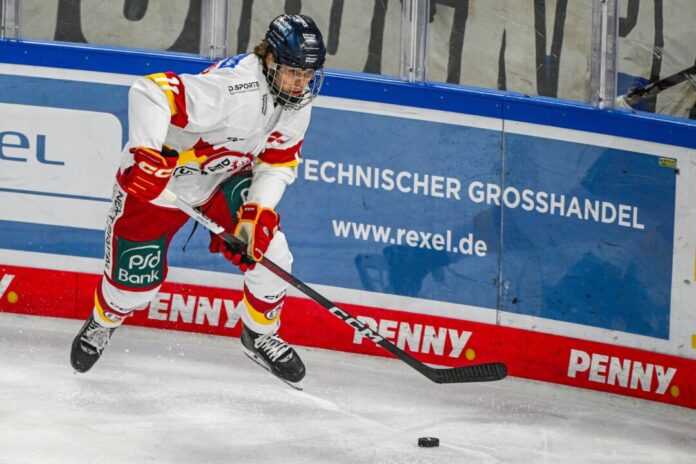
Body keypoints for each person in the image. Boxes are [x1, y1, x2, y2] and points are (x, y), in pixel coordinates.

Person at [70, 14, 327, 386]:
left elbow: (277, 160)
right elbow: (150, 91)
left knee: (271, 254)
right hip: (161, 183)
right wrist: (146, 153)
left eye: (308, 73)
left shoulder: (295, 97)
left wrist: (257, 212)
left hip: (222, 177)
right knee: (133, 288)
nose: (302, 83)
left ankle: (259, 334)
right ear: (270, 60)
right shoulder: (233, 89)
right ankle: (105, 320)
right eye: (294, 72)